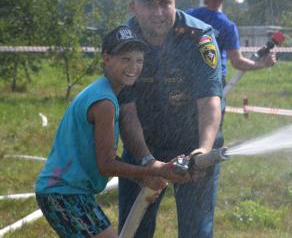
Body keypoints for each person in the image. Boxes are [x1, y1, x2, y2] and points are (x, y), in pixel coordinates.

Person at [35, 25, 186, 238]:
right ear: (107, 58)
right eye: (125, 59)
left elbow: (100, 152)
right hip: (64, 195)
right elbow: (106, 165)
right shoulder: (104, 102)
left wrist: (140, 180)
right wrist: (155, 171)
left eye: (139, 60)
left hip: (68, 193)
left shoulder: (103, 92)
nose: (133, 67)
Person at [118, 0, 223, 238]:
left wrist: (203, 149)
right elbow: (127, 111)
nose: (158, 12)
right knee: (134, 230)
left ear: (175, 1)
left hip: (194, 147)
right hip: (143, 145)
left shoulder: (199, 37)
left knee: (196, 232)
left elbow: (210, 99)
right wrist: (145, 161)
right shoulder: (122, 43)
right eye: (149, 4)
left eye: (165, 2)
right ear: (133, 7)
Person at [186, 0, 277, 86]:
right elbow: (237, 62)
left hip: (189, 78)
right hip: (214, 82)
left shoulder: (190, 16)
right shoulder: (228, 27)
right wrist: (263, 64)